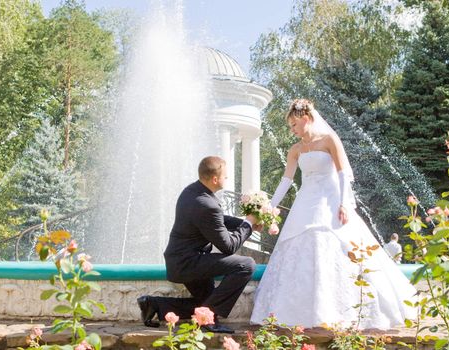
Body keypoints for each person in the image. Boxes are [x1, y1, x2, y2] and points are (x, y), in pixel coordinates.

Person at [250, 99, 417, 330]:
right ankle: (297, 314)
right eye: (291, 126)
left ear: (307, 119)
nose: (293, 130)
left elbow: (342, 173)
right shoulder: (295, 150)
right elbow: (286, 181)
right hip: (306, 202)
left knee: (332, 242)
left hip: (329, 200)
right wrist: (269, 206)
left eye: (294, 124)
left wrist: (344, 203)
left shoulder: (329, 140)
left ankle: (342, 311)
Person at [137, 156, 260, 333]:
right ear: (215, 179)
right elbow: (229, 247)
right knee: (246, 265)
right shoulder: (207, 204)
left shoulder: (192, 192)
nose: (227, 179)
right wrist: (248, 224)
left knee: (206, 303)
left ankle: (154, 304)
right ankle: (206, 321)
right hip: (188, 264)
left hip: (182, 261)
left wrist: (244, 222)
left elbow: (216, 220)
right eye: (225, 176)